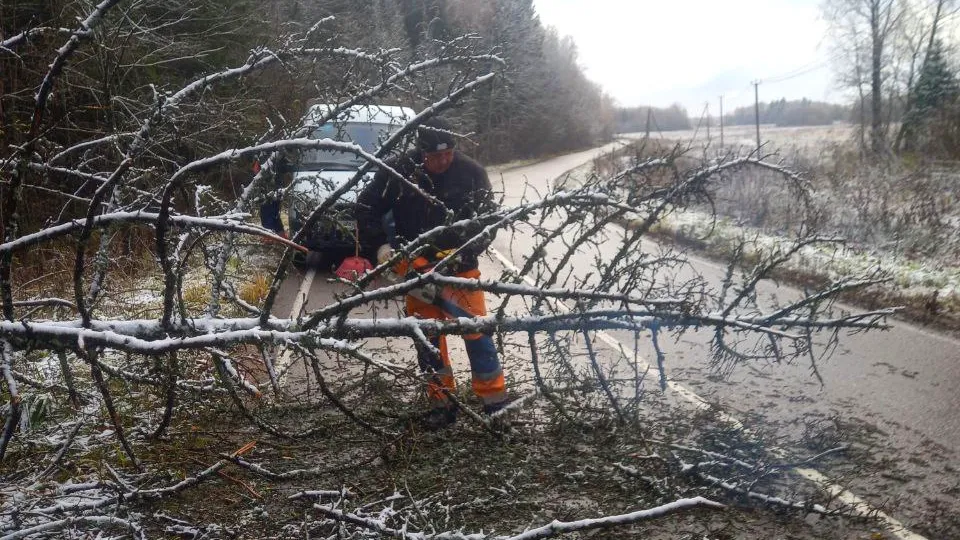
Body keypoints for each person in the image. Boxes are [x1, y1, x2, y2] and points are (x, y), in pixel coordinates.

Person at [355, 117, 507, 430]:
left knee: (477, 334)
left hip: (460, 271)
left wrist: (463, 253)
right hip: (415, 270)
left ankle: (495, 404)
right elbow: (365, 208)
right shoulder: (398, 171)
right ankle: (441, 404)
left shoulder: (471, 173)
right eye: (434, 156)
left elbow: (488, 223)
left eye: (448, 154)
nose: (442, 161)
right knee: (428, 340)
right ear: (420, 151)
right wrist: (382, 249)